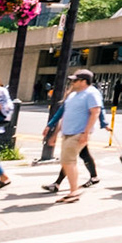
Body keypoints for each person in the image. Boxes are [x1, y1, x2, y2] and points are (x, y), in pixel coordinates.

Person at [44, 70, 101, 203]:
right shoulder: (72, 95)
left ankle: (74, 191)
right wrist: (55, 134)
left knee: (68, 161)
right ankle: (73, 190)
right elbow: (65, 115)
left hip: (78, 133)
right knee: (67, 161)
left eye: (75, 80)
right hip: (67, 133)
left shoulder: (91, 93)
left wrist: (86, 133)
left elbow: (95, 113)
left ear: (83, 81)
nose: (72, 83)